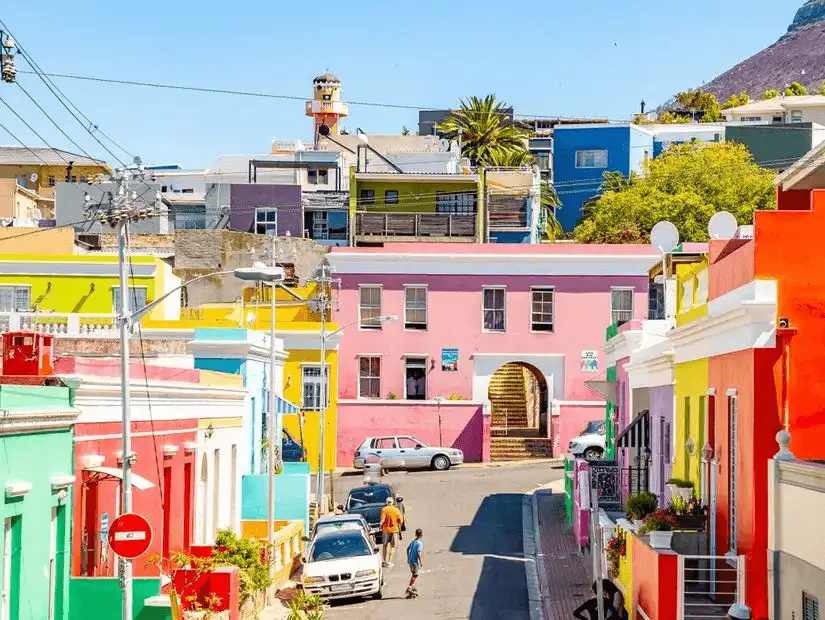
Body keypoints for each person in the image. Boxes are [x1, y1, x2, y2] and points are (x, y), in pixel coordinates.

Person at [379, 496, 404, 567]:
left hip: (385, 530)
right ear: (392, 502)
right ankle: (389, 562)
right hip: (394, 529)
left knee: (384, 545)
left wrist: (380, 526)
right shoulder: (396, 510)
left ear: (386, 503)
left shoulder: (384, 510)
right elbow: (400, 520)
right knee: (392, 546)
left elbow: (382, 520)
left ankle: (384, 561)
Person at [405, 528, 424, 598]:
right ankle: (410, 586)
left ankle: (412, 586)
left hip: (410, 560)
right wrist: (421, 561)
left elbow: (407, 549)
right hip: (414, 561)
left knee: (413, 573)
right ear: (421, 535)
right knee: (415, 574)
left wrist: (408, 556)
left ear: (416, 534)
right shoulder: (419, 543)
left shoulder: (413, 541)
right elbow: (418, 553)